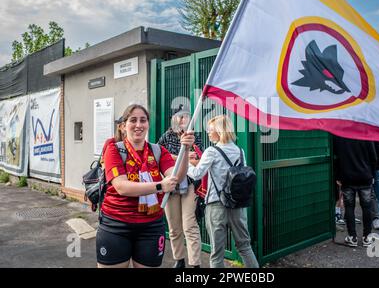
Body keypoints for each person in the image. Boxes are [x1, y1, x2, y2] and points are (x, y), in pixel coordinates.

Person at [96, 104, 195, 268]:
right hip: (115, 225)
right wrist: (159, 186)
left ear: (148, 124)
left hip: (151, 227)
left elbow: (176, 177)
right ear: (123, 126)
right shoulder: (113, 149)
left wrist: (185, 150)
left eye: (143, 120)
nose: (138, 125)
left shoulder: (158, 151)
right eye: (133, 120)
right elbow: (121, 186)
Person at [187, 115, 259, 268]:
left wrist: (185, 163)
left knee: (217, 254)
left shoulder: (212, 151)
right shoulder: (240, 151)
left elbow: (197, 174)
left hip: (216, 205)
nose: (208, 133)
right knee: (245, 246)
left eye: (211, 130)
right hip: (238, 205)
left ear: (219, 132)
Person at [157, 105, 203, 268]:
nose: (183, 119)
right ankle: (179, 259)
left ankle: (195, 263)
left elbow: (199, 160)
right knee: (174, 226)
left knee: (189, 225)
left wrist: (176, 158)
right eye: (180, 116)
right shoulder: (167, 137)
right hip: (170, 186)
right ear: (174, 119)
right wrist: (182, 156)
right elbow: (159, 157)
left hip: (189, 186)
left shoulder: (194, 137)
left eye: (186, 116)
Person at [333, 136, 377, 247]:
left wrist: (338, 176)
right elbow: (373, 158)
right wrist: (372, 174)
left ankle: (352, 237)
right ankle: (367, 237)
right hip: (365, 177)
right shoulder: (366, 136)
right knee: (367, 207)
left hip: (347, 177)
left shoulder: (340, 136)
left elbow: (336, 158)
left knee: (349, 207)